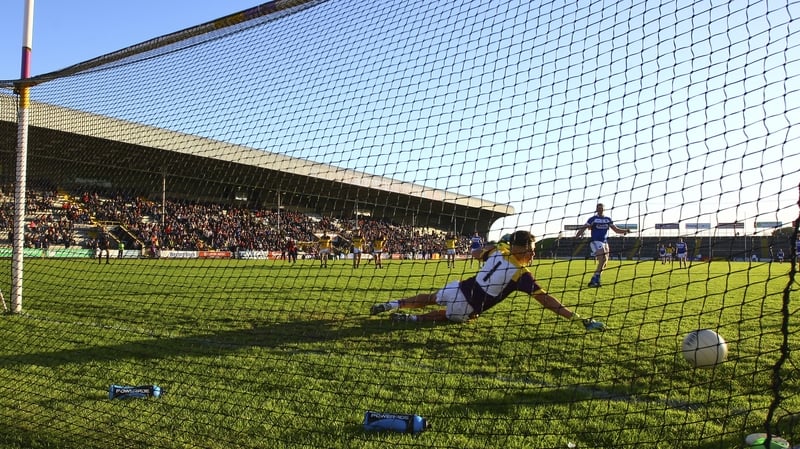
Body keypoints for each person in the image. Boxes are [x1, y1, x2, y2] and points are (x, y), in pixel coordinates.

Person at [369, 230, 606, 330]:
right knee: (451, 316)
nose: (533, 255)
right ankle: (411, 318)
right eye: (530, 250)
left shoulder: (498, 252)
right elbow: (546, 300)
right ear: (519, 248)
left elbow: (474, 254)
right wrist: (576, 318)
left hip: (460, 286)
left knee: (432, 297)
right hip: (470, 304)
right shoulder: (521, 275)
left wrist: (492, 248)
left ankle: (393, 304)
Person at [575, 203, 631, 287]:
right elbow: (584, 228)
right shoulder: (592, 219)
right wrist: (576, 236)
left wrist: (625, 231)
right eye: (598, 208)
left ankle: (595, 279)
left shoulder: (608, 219)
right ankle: (595, 280)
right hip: (596, 241)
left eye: (601, 208)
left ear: (604, 209)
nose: (600, 209)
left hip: (605, 242)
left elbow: (616, 230)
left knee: (605, 262)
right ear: (596, 209)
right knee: (602, 259)